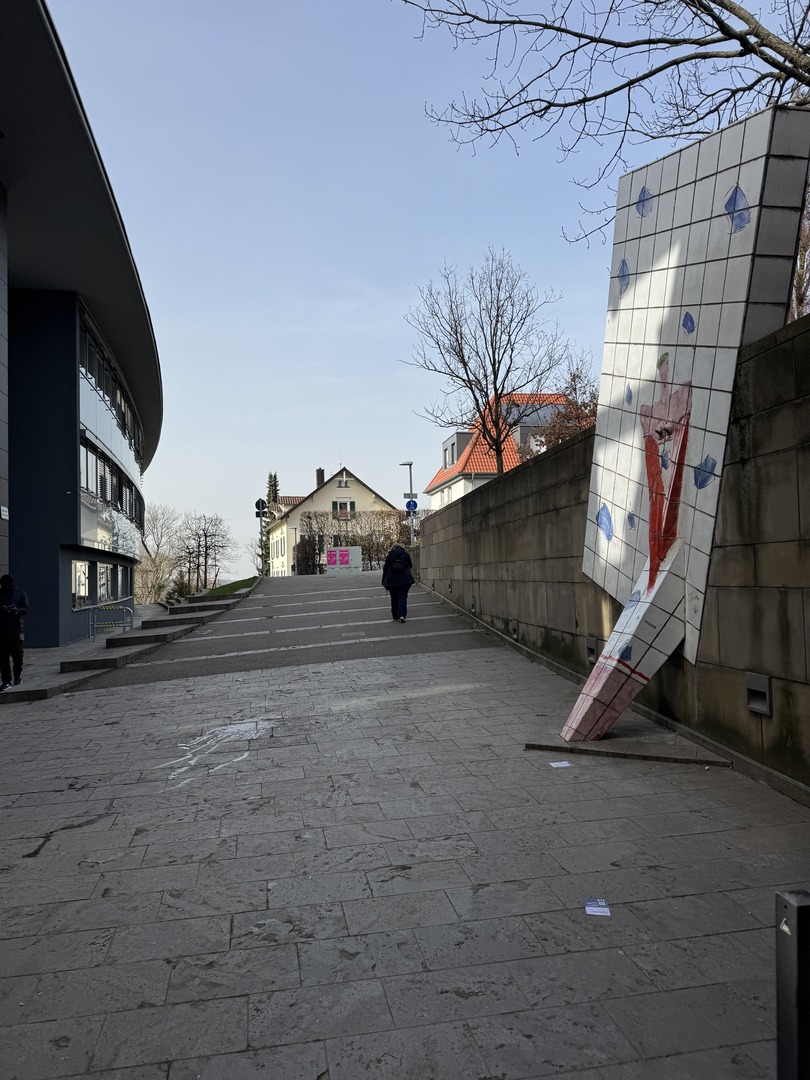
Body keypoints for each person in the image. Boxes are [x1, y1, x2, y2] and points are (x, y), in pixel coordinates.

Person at [0, 574, 29, 690]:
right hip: (2, 629)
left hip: (17, 629)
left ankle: (17, 675)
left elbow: (26, 609)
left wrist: (16, 610)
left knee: (18, 653)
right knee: (2, 656)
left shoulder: (20, 593)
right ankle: (6, 680)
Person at [382, 544, 414, 623]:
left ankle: (395, 615)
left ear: (393, 548)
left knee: (394, 597)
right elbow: (410, 565)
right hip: (405, 580)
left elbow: (385, 568)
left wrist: (383, 580)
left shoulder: (390, 555)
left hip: (392, 581)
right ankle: (402, 615)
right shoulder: (406, 554)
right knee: (402, 597)